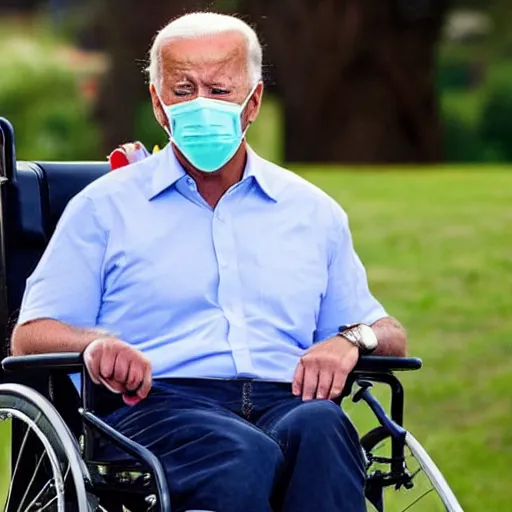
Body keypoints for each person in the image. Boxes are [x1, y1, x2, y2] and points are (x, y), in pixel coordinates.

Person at [11, 11, 407, 512]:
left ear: (253, 101)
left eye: (220, 89)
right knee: (241, 451)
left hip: (288, 398)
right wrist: (96, 344)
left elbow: (387, 330)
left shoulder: (312, 211)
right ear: (158, 104)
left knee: (325, 426)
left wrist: (350, 340)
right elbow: (30, 335)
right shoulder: (103, 207)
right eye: (183, 88)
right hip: (159, 405)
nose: (202, 104)